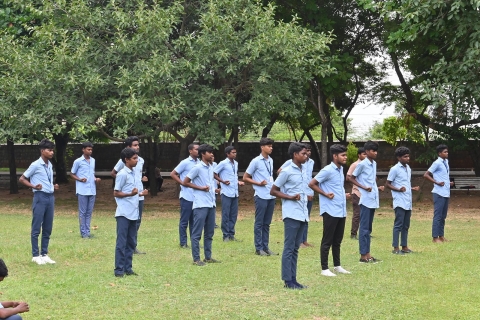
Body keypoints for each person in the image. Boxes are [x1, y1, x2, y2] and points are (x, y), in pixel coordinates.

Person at [270, 142, 309, 289]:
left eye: (306, 153)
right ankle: (288, 280)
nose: (306, 156)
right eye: (303, 154)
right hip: (292, 214)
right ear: (295, 154)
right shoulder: (287, 171)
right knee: (289, 247)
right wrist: (289, 197)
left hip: (303, 213)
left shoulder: (303, 170)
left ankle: (294, 278)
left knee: (295, 248)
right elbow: (273, 190)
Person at [309, 144, 351, 276]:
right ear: (335, 156)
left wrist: (343, 196)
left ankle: (337, 266)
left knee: (337, 240)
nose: (345, 157)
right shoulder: (327, 170)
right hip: (330, 210)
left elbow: (336, 188)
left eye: (345, 155)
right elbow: (312, 183)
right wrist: (325, 194)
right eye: (343, 155)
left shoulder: (340, 170)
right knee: (327, 240)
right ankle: (324, 268)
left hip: (341, 209)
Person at [19, 139, 59, 265]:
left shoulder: (50, 165)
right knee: (37, 226)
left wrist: (53, 186)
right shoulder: (35, 164)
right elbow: (22, 178)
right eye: (49, 150)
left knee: (48, 226)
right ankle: (35, 255)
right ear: (42, 151)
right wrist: (33, 186)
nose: (52, 152)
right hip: (40, 197)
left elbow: (48, 180)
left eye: (52, 150)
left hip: (50, 197)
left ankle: (44, 253)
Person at [183, 144, 220, 266]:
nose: (212, 154)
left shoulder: (210, 167)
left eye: (212, 152)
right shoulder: (197, 167)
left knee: (209, 232)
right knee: (197, 233)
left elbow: (209, 183)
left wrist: (214, 190)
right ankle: (196, 259)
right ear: (203, 154)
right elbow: (185, 182)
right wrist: (200, 188)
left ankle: (208, 257)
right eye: (209, 152)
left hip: (211, 203)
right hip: (200, 204)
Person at [114, 148, 147, 277]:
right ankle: (119, 270)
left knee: (131, 242)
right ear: (126, 160)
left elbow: (134, 192)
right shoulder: (122, 174)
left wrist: (141, 193)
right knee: (121, 243)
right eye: (134, 158)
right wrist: (130, 193)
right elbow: (116, 192)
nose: (137, 160)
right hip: (123, 213)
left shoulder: (134, 173)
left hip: (134, 212)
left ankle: (128, 268)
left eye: (137, 158)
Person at [347, 140, 381, 263]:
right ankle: (363, 256)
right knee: (364, 228)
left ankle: (368, 254)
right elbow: (350, 177)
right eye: (373, 151)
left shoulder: (374, 164)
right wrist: (362, 187)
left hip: (373, 199)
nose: (375, 153)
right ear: (366, 152)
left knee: (369, 229)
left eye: (376, 150)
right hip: (365, 199)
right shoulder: (362, 164)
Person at [243, 138, 278, 256]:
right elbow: (245, 177)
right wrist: (258, 183)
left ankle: (266, 247)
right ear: (262, 147)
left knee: (267, 223)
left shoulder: (271, 160)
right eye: (268, 146)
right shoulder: (256, 161)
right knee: (259, 222)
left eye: (271, 146)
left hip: (270, 195)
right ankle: (258, 248)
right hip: (261, 195)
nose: (271, 148)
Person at [278, 143, 315, 247]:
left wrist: (310, 192)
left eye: (308, 151)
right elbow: (280, 173)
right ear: (296, 154)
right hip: (294, 200)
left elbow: (308, 179)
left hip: (307, 194)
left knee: (305, 217)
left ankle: (304, 240)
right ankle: (299, 241)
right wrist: (288, 192)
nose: (307, 154)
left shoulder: (310, 163)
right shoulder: (289, 165)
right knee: (290, 245)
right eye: (305, 152)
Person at [386, 147, 420, 254]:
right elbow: (387, 184)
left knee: (406, 225)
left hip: (408, 200)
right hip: (399, 201)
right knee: (398, 224)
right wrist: (398, 189)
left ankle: (404, 246)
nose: (407, 158)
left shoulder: (408, 168)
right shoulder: (395, 169)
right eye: (405, 157)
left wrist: (411, 188)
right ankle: (395, 248)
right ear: (399, 157)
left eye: (408, 156)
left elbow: (405, 183)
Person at [170, 143, 199, 248]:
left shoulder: (199, 162)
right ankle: (183, 242)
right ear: (190, 151)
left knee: (194, 221)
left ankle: (194, 242)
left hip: (196, 196)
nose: (198, 151)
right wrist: (182, 182)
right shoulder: (185, 162)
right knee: (184, 220)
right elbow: (173, 173)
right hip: (186, 196)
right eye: (196, 149)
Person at [70, 142, 101, 239]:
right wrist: (79, 179)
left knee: (89, 212)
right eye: (88, 149)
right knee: (82, 212)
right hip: (82, 190)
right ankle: (83, 233)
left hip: (92, 190)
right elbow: (72, 174)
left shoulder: (93, 161)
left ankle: (88, 232)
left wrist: (95, 179)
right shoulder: (78, 161)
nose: (90, 151)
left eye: (91, 149)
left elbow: (92, 174)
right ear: (83, 149)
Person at [423, 144, 453, 243]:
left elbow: (443, 176)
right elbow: (426, 175)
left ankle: (441, 236)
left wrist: (449, 183)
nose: (447, 153)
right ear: (439, 153)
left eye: (447, 151)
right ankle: (435, 237)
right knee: (438, 215)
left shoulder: (446, 162)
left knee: (443, 216)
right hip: (439, 192)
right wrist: (436, 182)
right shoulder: (437, 163)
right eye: (445, 152)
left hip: (446, 192)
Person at [214, 146, 245, 242]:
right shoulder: (223, 163)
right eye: (232, 152)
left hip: (235, 192)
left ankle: (231, 234)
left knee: (233, 214)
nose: (235, 154)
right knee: (226, 214)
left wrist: (238, 182)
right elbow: (214, 173)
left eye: (235, 152)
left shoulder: (235, 163)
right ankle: (225, 235)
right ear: (227, 154)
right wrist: (222, 181)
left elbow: (234, 176)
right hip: (226, 192)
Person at [346, 147, 366, 240]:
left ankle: (364, 233)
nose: (365, 156)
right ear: (359, 155)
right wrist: (355, 186)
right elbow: (348, 177)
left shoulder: (368, 165)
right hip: (357, 193)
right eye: (364, 154)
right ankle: (353, 233)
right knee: (357, 214)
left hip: (366, 194)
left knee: (365, 214)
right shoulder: (355, 165)